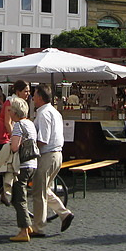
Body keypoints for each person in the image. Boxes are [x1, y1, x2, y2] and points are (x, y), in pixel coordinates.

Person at [31, 86, 73, 237]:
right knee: (45, 189)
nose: (32, 98)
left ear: (40, 98)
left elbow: (43, 139)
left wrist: (27, 147)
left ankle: (38, 227)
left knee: (39, 192)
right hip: (57, 155)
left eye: (34, 96)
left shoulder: (43, 114)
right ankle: (64, 214)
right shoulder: (55, 112)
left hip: (47, 155)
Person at [0, 80, 31, 200]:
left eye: (29, 91)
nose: (28, 93)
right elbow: (7, 122)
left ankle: (4, 189)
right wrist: (13, 138)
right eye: (26, 91)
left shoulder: (19, 102)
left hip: (7, 136)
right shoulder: (11, 102)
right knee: (8, 163)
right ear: (18, 91)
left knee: (11, 161)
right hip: (1, 136)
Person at [7, 97, 38, 242]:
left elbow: (14, 147)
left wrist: (10, 143)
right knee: (20, 195)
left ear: (15, 112)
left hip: (23, 165)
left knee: (19, 197)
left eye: (10, 110)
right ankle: (28, 226)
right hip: (33, 163)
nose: (9, 112)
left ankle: (24, 230)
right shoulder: (30, 123)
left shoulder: (19, 125)